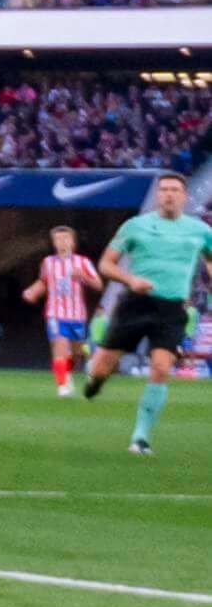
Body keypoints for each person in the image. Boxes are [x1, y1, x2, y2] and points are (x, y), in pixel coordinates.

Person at [83, 175, 208, 454]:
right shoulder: (135, 226)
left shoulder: (200, 231)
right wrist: (130, 280)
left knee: (162, 368)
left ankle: (141, 437)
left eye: (174, 190)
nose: (168, 195)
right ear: (157, 196)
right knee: (102, 366)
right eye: (163, 190)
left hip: (172, 308)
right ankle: (95, 382)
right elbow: (106, 264)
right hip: (135, 303)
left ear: (185, 196)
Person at [34, 222, 100, 396]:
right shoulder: (47, 263)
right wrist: (32, 292)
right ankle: (62, 385)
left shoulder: (82, 262)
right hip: (55, 313)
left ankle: (69, 372)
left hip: (77, 314)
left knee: (76, 353)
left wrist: (83, 276)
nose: (62, 242)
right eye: (58, 239)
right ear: (54, 243)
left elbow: (98, 284)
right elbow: (43, 282)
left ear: (72, 242)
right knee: (59, 346)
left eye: (65, 239)